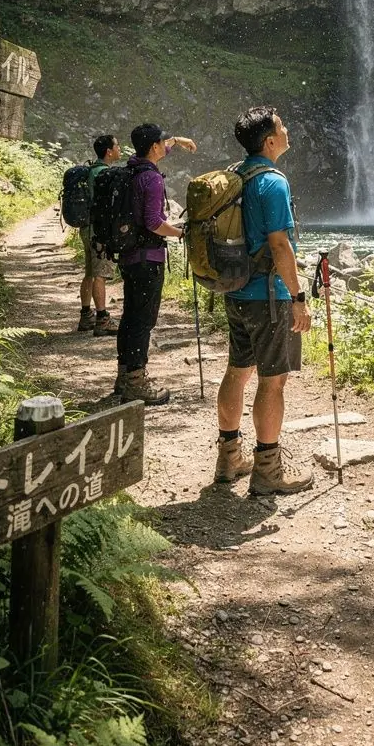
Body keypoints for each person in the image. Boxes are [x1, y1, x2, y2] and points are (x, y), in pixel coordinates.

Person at [214, 106, 313, 494]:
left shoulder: (236, 174)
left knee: (238, 371)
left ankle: (229, 458)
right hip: (268, 298)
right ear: (270, 140)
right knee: (273, 383)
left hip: (236, 291)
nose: (287, 130)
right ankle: (269, 471)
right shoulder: (273, 182)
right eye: (282, 126)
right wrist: (298, 297)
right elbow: (279, 244)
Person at [114, 124, 197, 405]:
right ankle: (136, 381)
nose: (166, 147)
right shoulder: (152, 179)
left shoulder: (133, 168)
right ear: (153, 148)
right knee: (143, 320)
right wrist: (180, 232)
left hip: (129, 255)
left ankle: (124, 375)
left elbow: (144, 219)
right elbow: (152, 222)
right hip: (147, 259)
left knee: (130, 315)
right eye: (163, 143)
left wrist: (178, 140)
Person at [77, 134, 121, 336]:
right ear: (109, 151)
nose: (120, 149)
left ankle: (86, 316)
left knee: (89, 272)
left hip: (86, 228)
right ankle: (102, 319)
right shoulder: (104, 174)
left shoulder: (90, 170)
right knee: (100, 275)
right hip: (99, 231)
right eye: (117, 146)